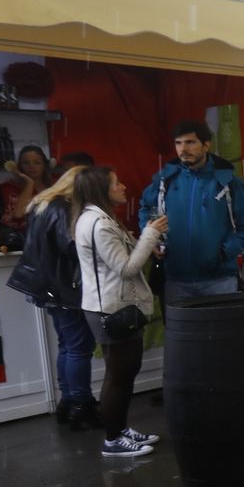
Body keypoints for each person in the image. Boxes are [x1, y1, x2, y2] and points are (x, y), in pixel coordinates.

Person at [72, 166, 166, 458]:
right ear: (101, 189)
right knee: (118, 375)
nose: (123, 186)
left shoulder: (97, 218)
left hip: (113, 306)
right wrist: (150, 235)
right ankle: (113, 440)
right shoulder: (99, 224)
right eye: (116, 183)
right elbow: (126, 268)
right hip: (113, 310)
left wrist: (144, 244)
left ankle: (121, 429)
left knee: (124, 373)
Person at [8, 154, 98, 428]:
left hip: (46, 285)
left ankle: (69, 400)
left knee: (67, 345)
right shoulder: (64, 208)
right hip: (63, 287)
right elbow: (70, 246)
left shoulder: (44, 203)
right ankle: (81, 405)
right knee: (80, 347)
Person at [139, 119, 244, 305]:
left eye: (190, 142)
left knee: (220, 333)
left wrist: (222, 252)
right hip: (176, 279)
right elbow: (149, 208)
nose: (183, 149)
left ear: (206, 145)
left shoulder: (228, 183)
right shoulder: (165, 181)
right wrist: (154, 238)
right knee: (181, 334)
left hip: (219, 280)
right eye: (178, 143)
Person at [0, 144, 55, 240]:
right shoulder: (10, 187)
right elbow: (18, 214)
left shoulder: (55, 185)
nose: (31, 166)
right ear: (19, 166)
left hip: (53, 236)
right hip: (24, 239)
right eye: (26, 163)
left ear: (45, 165)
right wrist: (29, 183)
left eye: (37, 163)